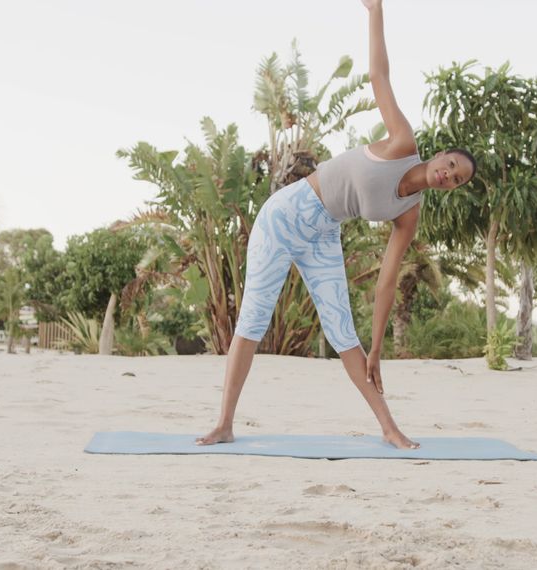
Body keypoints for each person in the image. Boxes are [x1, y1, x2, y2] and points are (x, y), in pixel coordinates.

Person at [196, 0, 476, 449]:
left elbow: (386, 283)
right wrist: (375, 12)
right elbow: (379, 77)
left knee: (344, 333)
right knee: (253, 319)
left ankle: (389, 428)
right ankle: (225, 422)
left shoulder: (409, 213)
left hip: (323, 234)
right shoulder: (402, 142)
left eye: (457, 179)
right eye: (451, 165)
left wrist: (379, 345)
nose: (449, 175)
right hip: (285, 216)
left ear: (453, 188)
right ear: (440, 156)